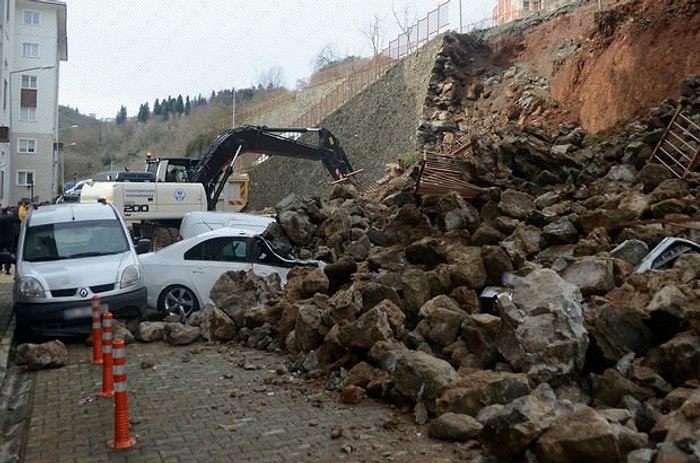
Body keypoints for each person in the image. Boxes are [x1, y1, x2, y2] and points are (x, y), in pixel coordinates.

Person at [0, 207, 17, 274]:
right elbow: (18, 221)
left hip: (0, 238)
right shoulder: (11, 217)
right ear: (7, 210)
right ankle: (7, 269)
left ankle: (0, 268)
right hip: (10, 237)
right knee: (9, 253)